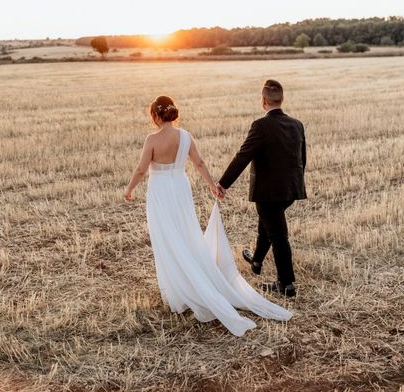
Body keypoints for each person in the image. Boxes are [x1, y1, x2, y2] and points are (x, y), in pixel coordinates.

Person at [124, 95, 292, 337]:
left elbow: (141, 169)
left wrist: (130, 189)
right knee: (186, 233)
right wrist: (213, 185)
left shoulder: (152, 139)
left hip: (160, 192)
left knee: (167, 239)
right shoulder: (186, 136)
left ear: (155, 116)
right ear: (173, 113)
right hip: (180, 190)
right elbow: (199, 163)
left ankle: (178, 292)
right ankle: (190, 282)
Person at [217, 79, 307, 297]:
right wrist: (296, 182)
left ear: (263, 101)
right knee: (268, 224)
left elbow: (243, 156)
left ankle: (286, 285)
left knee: (278, 236)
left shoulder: (261, 125)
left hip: (268, 192)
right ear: (282, 99)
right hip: (291, 189)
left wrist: (223, 183)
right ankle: (256, 260)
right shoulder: (297, 124)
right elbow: (302, 158)